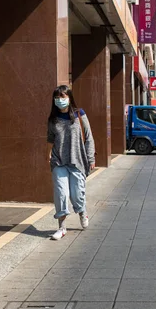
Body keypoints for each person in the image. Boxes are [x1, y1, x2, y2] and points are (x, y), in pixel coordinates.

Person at [47, 85, 96, 240]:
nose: (60, 100)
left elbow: (89, 137)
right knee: (61, 193)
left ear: (69, 97)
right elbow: (50, 138)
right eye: (57, 97)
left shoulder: (79, 115)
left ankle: (82, 211)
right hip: (58, 160)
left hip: (77, 161)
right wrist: (48, 155)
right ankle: (61, 228)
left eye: (63, 97)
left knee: (76, 195)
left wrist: (91, 159)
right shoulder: (53, 119)